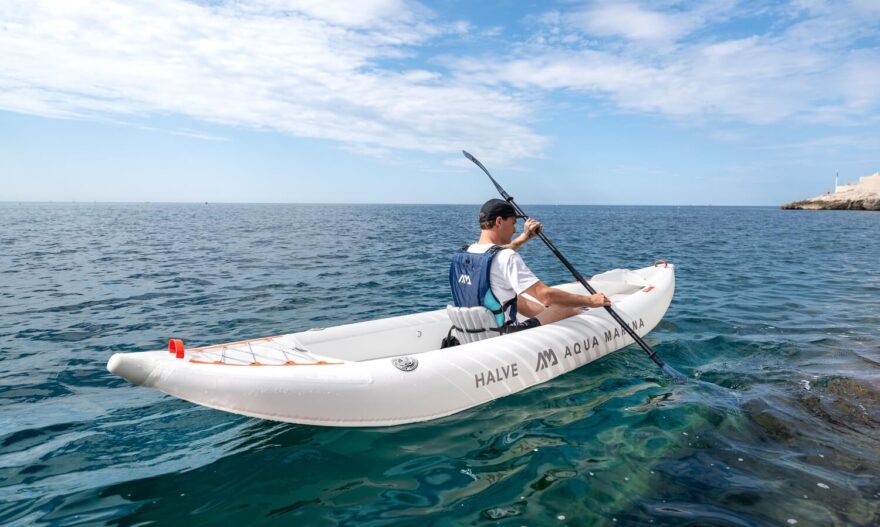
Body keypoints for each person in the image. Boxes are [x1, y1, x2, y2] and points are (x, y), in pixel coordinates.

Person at [449, 198, 611, 334]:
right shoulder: (507, 257)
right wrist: (590, 300)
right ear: (499, 221)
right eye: (513, 223)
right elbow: (545, 295)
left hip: (471, 332)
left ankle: (546, 314)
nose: (514, 229)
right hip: (502, 335)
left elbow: (494, 257)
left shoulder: (464, 254)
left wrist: (525, 237)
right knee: (563, 307)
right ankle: (586, 317)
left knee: (514, 296)